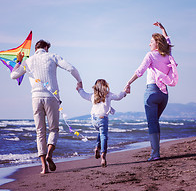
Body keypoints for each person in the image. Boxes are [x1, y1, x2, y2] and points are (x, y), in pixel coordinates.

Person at [11, 39, 82, 174]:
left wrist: (18, 61)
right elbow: (71, 68)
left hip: (36, 98)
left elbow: (13, 75)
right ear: (45, 47)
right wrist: (79, 81)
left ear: (36, 49)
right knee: (54, 129)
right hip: (52, 98)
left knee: (40, 132)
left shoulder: (28, 61)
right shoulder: (52, 56)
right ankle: (50, 153)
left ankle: (44, 168)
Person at [125, 23, 178, 161]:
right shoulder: (167, 55)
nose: (149, 44)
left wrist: (129, 82)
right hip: (164, 94)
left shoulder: (150, 56)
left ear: (156, 44)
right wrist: (163, 29)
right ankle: (156, 152)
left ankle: (155, 154)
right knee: (155, 122)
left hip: (152, 92)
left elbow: (140, 71)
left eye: (151, 42)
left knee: (152, 124)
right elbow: (168, 41)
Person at [76, 79, 128, 167]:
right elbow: (119, 96)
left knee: (101, 133)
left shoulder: (93, 96)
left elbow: (83, 94)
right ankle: (103, 155)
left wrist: (79, 89)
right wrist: (125, 91)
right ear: (105, 86)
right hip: (102, 118)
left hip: (94, 120)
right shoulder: (108, 95)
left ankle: (97, 147)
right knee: (104, 136)